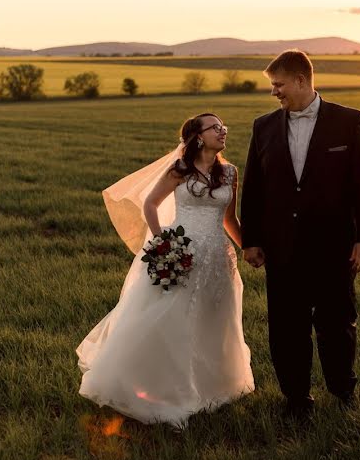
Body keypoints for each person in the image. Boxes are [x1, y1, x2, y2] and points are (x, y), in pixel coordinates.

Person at [76, 113, 254, 428]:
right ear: (198, 137)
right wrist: (163, 244)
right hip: (180, 255)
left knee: (214, 320)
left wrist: (248, 247)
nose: (223, 131)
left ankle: (210, 388)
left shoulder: (229, 173)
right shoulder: (179, 170)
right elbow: (150, 204)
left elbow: (229, 219)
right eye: (216, 128)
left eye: (223, 127)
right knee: (172, 321)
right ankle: (164, 389)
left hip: (217, 259)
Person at [241, 50, 360, 417]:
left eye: (279, 85)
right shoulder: (263, 127)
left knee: (337, 323)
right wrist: (250, 240)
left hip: (335, 247)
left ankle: (342, 391)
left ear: (301, 81)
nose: (275, 93)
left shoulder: (348, 122)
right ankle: (297, 398)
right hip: (282, 248)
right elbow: (254, 188)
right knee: (286, 327)